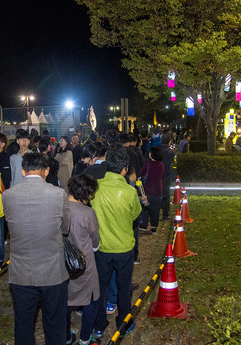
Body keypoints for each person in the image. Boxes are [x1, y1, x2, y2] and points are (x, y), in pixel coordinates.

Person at [2, 152, 71, 345]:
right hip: (53, 271)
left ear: (23, 171)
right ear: (47, 171)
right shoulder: (58, 194)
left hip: (21, 272)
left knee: (23, 325)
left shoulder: (8, 195)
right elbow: (65, 228)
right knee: (55, 323)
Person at [91, 148, 141, 339]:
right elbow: (135, 214)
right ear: (125, 169)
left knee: (101, 287)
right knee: (124, 286)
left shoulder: (95, 188)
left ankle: (99, 323)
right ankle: (124, 322)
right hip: (124, 248)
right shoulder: (129, 191)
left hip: (102, 247)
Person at [65, 175, 101, 345]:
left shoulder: (60, 208)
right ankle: (85, 338)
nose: (91, 197)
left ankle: (65, 336)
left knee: (65, 299)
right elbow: (95, 241)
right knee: (92, 298)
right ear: (85, 193)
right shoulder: (88, 213)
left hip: (64, 262)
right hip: (84, 261)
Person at [139, 146, 164, 234]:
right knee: (155, 209)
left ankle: (144, 225)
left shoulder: (147, 164)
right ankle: (154, 227)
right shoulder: (161, 164)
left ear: (151, 154)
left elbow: (142, 174)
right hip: (158, 189)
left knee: (145, 208)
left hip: (147, 189)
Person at [160, 134, 176, 220]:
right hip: (166, 175)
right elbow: (172, 163)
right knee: (166, 195)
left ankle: (155, 211)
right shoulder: (171, 152)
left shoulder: (157, 150)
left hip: (157, 175)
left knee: (157, 194)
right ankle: (165, 214)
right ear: (169, 142)